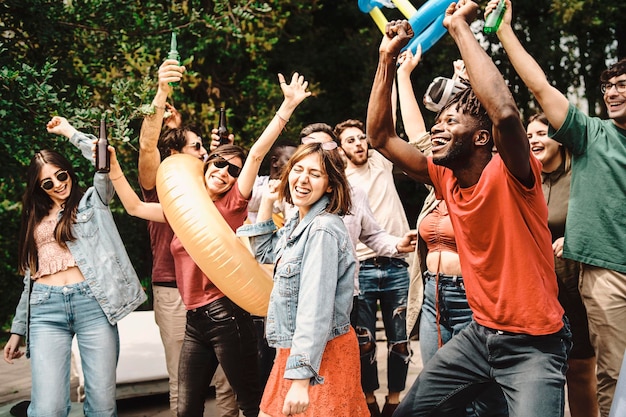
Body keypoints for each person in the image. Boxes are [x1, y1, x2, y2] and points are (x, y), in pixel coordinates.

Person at [366, 3, 570, 415]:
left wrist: (459, 26)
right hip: (479, 338)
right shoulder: (445, 177)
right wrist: (386, 59)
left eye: (451, 121)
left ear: (481, 139)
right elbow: (380, 136)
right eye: (437, 121)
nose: (437, 127)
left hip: (534, 344)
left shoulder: (512, 171)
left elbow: (506, 112)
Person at [107, 71, 311, 417]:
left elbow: (258, 153)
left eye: (232, 170)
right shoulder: (184, 209)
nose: (224, 172)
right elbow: (136, 207)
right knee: (187, 408)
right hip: (194, 319)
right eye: (219, 163)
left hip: (226, 316)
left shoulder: (232, 205)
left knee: (249, 402)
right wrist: (112, 167)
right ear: (205, 165)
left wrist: (287, 107)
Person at [493, 1, 626, 415]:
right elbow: (540, 88)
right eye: (609, 87)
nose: (613, 92)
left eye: (623, 84)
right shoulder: (592, 133)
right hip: (609, 273)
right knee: (617, 373)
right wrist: (503, 33)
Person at [3, 116, 147, 417]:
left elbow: (102, 159)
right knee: (47, 409)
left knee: (102, 405)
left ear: (69, 173)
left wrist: (68, 131)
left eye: (62, 176)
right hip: (45, 310)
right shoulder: (34, 220)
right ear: (39, 187)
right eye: (48, 182)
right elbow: (31, 277)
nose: (58, 184)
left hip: (93, 305)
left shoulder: (93, 202)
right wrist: (18, 330)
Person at [397, 49, 508, 417]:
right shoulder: (436, 181)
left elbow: (497, 116)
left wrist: (470, 83)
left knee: (486, 397)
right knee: (439, 391)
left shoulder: (487, 181)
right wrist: (402, 74)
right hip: (434, 296)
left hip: (475, 297)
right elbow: (415, 137)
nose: (438, 136)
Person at [138, 58, 239, 417]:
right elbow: (148, 148)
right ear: (174, 153)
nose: (203, 153)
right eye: (196, 147)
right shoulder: (160, 183)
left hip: (221, 285)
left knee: (230, 378)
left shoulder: (213, 182)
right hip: (172, 288)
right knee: (183, 380)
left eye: (203, 146)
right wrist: (161, 90)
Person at [236, 142, 369, 417]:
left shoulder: (322, 229)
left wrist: (300, 379)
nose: (302, 179)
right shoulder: (299, 220)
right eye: (297, 169)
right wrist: (270, 202)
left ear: (330, 185)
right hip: (296, 350)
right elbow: (263, 252)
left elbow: (315, 309)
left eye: (315, 174)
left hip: (321, 354)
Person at [332, 118, 411, 417]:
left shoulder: (381, 164)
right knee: (364, 342)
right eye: (350, 140)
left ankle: (394, 398)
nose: (359, 144)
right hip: (361, 268)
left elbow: (385, 124)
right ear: (340, 149)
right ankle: (368, 398)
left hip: (395, 264)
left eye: (361, 138)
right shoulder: (343, 186)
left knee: (399, 340)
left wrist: (393, 71)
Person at [527, 113, 598, 417]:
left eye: (541, 133)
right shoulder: (525, 180)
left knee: (580, 369)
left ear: (559, 137)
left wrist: (576, 238)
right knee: (541, 372)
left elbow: (606, 219)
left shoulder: (582, 174)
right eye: (528, 137)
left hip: (577, 286)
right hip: (536, 291)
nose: (533, 141)